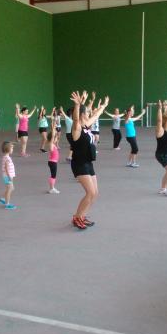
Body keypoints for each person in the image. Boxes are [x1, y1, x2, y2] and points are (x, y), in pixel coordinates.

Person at [70, 90, 109, 230]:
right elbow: (75, 120)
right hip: (79, 164)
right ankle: (76, 217)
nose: (89, 113)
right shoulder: (77, 129)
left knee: (95, 193)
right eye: (86, 112)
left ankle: (82, 216)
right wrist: (77, 104)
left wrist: (104, 106)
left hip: (88, 163)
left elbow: (96, 115)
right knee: (90, 192)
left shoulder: (86, 126)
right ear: (82, 114)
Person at [0, 141, 16, 209]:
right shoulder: (7, 158)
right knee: (10, 189)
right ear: (7, 149)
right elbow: (6, 169)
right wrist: (9, 177)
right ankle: (7, 204)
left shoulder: (6, 157)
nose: (12, 149)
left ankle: (3, 198)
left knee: (10, 188)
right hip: (8, 176)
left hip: (7, 176)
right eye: (11, 148)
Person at [47, 116, 60, 194]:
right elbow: (52, 137)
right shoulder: (51, 144)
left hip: (53, 162)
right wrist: (53, 134)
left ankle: (52, 188)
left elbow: (53, 133)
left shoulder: (53, 144)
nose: (56, 139)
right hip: (52, 162)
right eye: (55, 138)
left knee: (53, 175)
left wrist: (54, 124)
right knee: (53, 175)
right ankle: (52, 188)